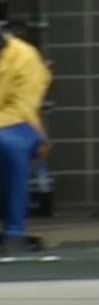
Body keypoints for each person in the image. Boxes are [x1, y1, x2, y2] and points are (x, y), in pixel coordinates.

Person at [0, 30, 51, 256]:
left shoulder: (25, 56)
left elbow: (22, 107)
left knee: (8, 145)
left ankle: (14, 231)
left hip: (18, 124)